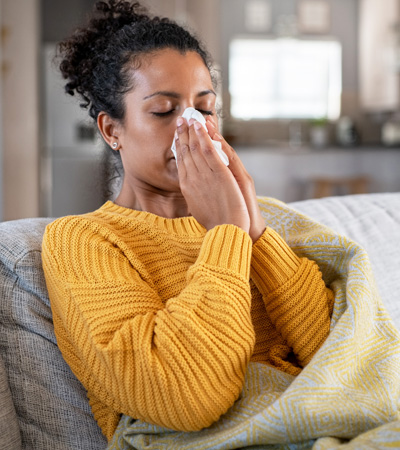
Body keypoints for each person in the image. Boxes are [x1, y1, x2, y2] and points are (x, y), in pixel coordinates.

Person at [42, 0, 334, 442]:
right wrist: (228, 234)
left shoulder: (257, 220)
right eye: (163, 111)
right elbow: (185, 396)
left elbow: (341, 357)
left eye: (206, 109)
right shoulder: (83, 241)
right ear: (111, 130)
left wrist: (254, 231)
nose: (192, 128)